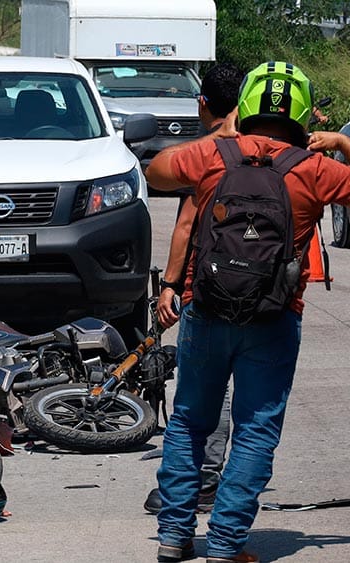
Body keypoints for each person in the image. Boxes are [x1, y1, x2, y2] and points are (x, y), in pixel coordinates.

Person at [145, 61, 350, 563]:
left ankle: (174, 537)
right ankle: (225, 544)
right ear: (301, 110)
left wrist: (223, 138)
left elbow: (157, 171)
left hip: (206, 308)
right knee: (256, 430)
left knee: (191, 421)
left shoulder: (214, 155)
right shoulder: (315, 168)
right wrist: (345, 144)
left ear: (247, 103)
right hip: (273, 316)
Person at [144, 62, 245, 517]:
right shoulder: (272, 152)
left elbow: (186, 225)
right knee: (251, 401)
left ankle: (199, 481)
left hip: (205, 290)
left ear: (203, 104)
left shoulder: (209, 155)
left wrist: (169, 286)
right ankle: (219, 480)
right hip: (262, 292)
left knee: (200, 393)